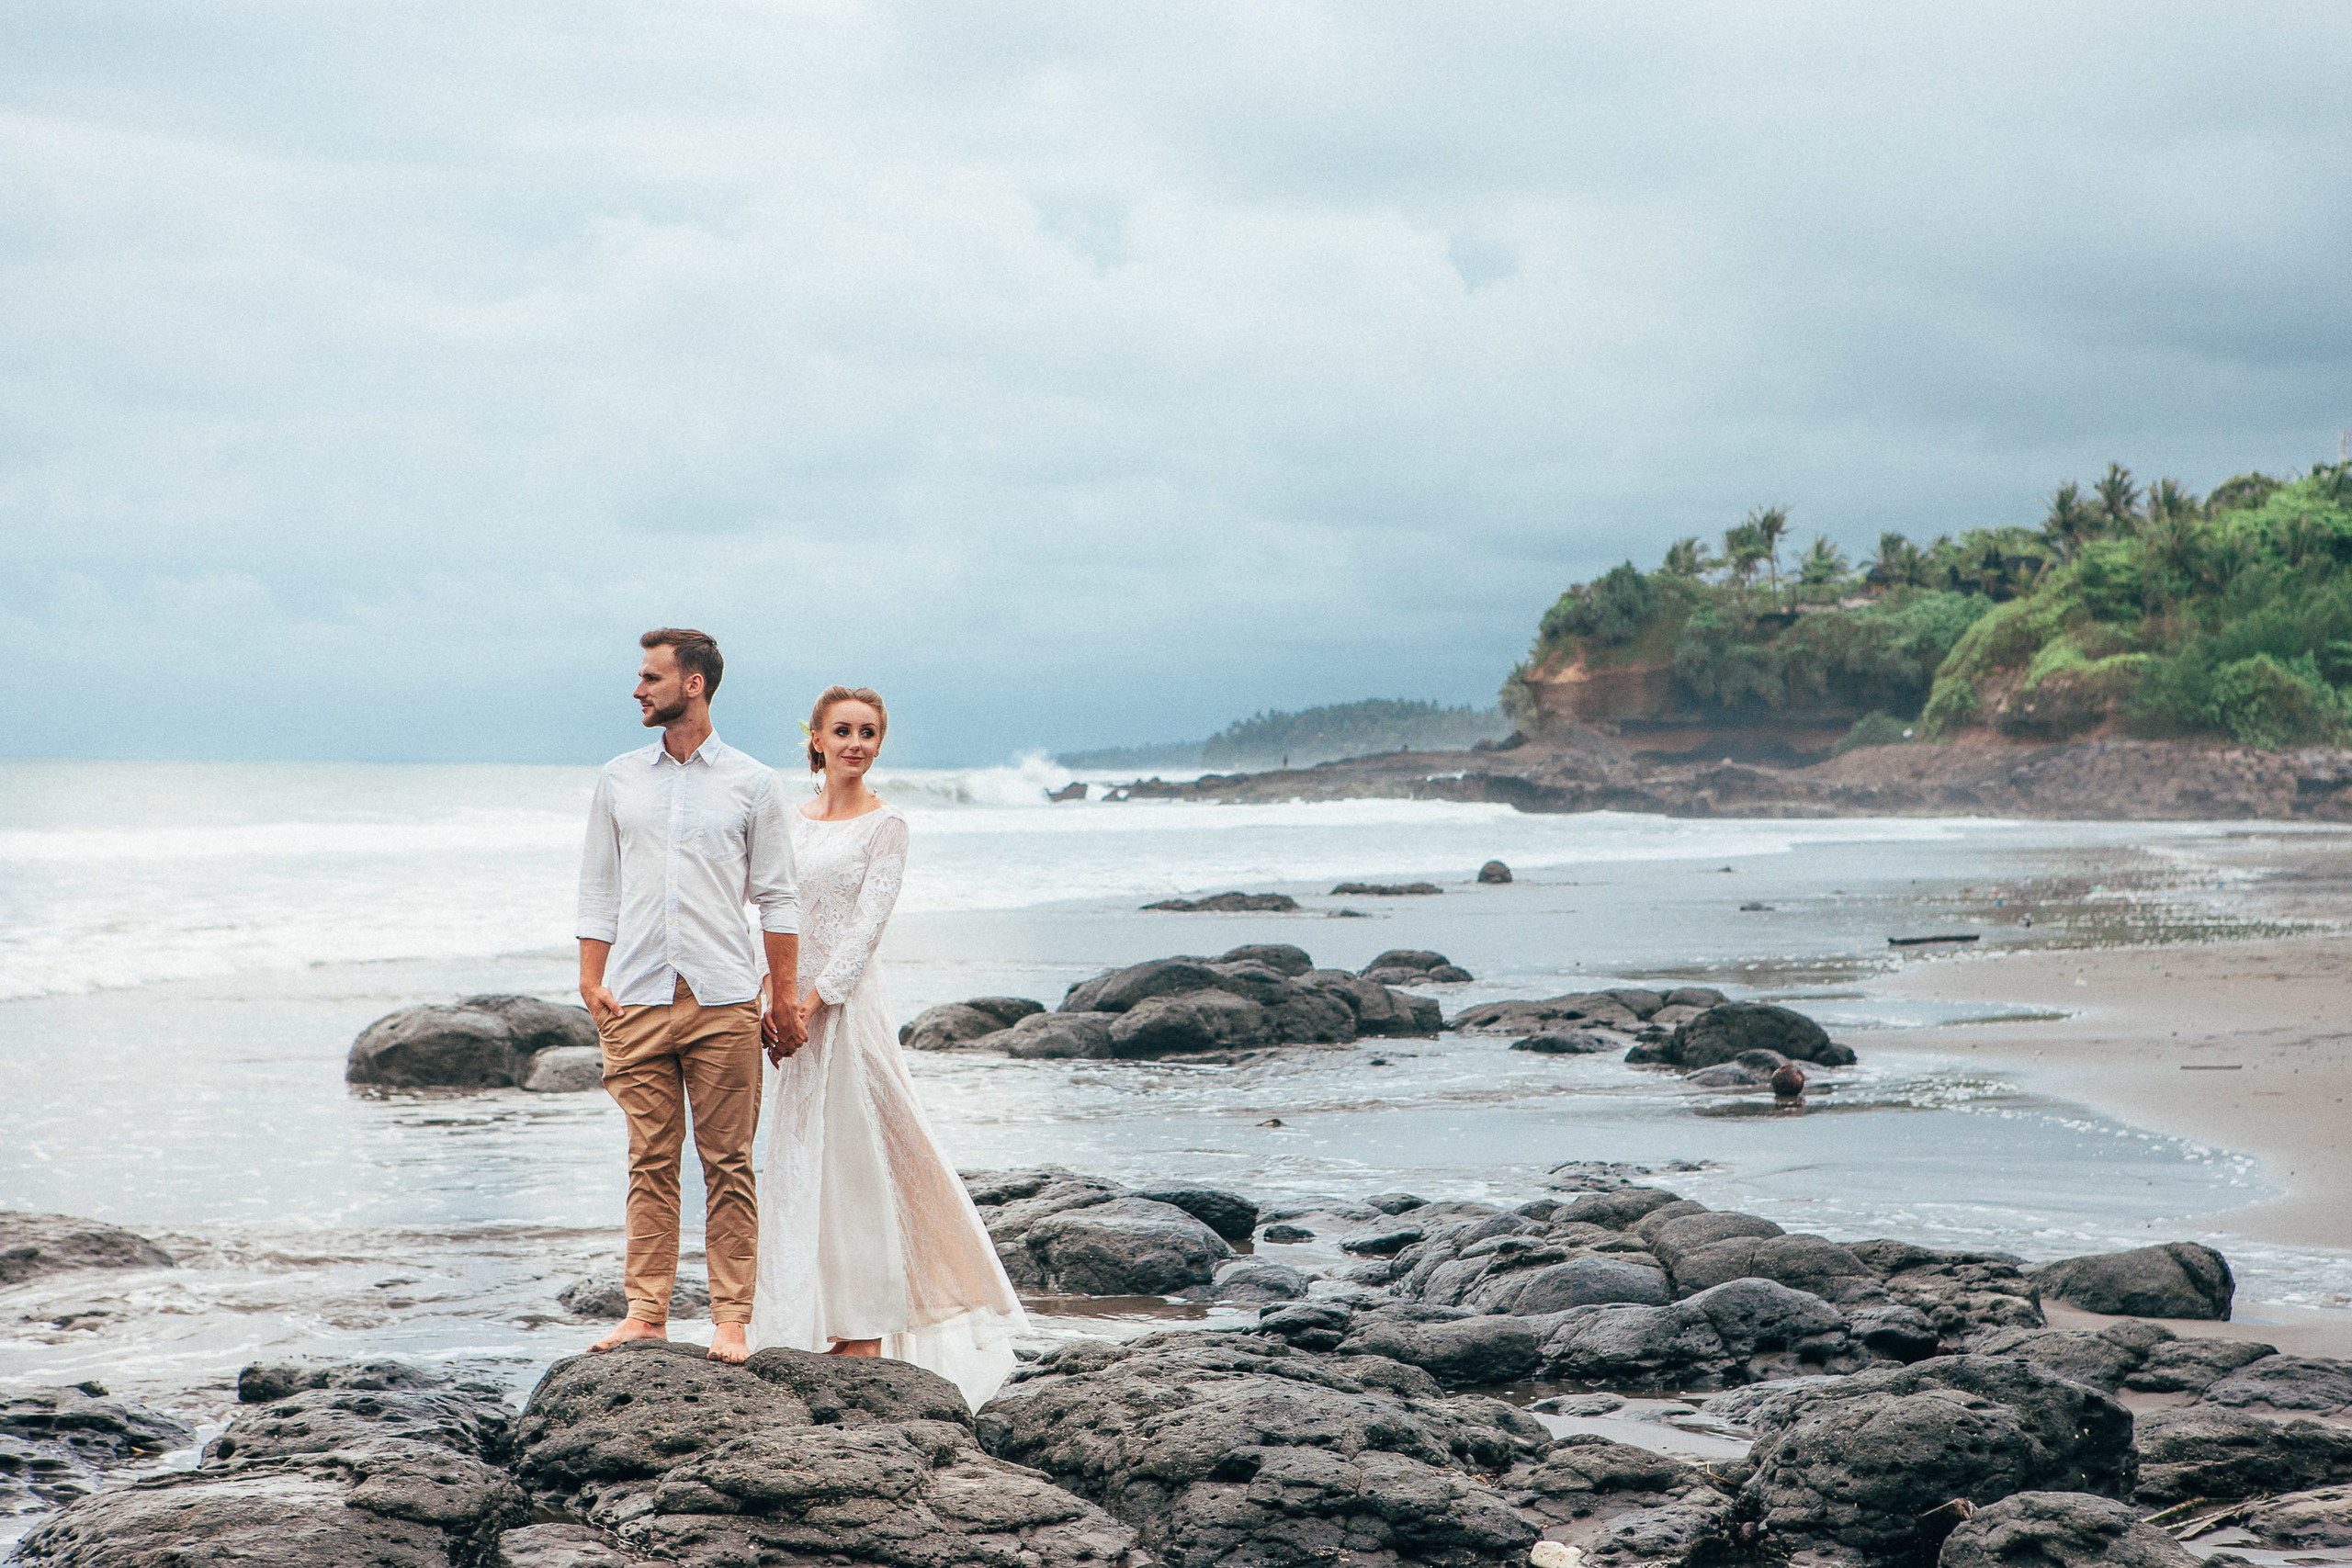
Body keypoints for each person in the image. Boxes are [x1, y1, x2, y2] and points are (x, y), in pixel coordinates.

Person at [749, 685, 1026, 1407]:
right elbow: (774, 914)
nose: (855, 743)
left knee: (862, 1159)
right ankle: (823, 1318)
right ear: (814, 738)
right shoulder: (789, 820)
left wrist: (808, 1004)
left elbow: (864, 930)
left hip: (845, 1010)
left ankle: (867, 1327)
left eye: (868, 732)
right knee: (801, 1159)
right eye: (841, 730)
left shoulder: (887, 825)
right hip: (787, 1010)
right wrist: (770, 999)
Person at [576, 627, 806, 1364]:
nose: (638, 689)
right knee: (650, 1160)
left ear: (694, 683)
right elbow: (598, 887)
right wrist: (590, 977)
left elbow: (778, 899)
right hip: (636, 997)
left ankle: (732, 1317)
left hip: (725, 998)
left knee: (728, 1162)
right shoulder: (618, 778)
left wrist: (784, 999)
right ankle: (647, 1311)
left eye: (651, 677)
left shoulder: (753, 782)